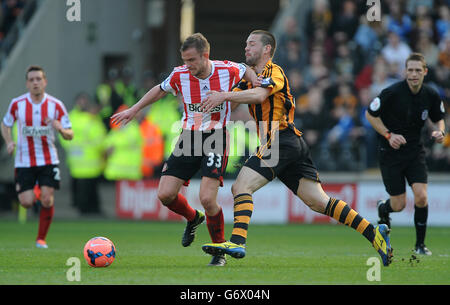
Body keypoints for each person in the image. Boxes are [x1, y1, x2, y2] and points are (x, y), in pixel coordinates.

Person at [199, 30, 393, 266]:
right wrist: (215, 96)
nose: (246, 48)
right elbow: (235, 97)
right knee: (319, 202)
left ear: (267, 49)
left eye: (251, 44)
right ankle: (374, 233)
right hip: (289, 144)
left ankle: (238, 242)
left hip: (281, 140)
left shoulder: (274, 71)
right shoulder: (246, 80)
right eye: (246, 44)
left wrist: (224, 96)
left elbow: (260, 96)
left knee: (241, 186)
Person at [111, 33, 260, 266]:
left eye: (191, 60)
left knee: (207, 198)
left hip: (216, 137)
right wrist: (134, 109)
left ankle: (218, 252)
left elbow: (245, 69)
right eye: (185, 60)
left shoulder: (225, 70)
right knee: (165, 195)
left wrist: (257, 80)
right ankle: (193, 218)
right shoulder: (180, 74)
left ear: (205, 56)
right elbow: (159, 90)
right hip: (188, 138)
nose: (187, 65)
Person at [365, 53, 446, 255]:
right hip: (390, 153)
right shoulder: (391, 93)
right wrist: (388, 135)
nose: (414, 74)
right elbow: (370, 114)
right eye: (410, 70)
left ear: (425, 72)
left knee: (421, 197)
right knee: (399, 205)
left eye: (418, 70)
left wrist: (440, 131)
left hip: (414, 152)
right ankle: (384, 208)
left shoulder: (431, 95)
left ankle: (420, 245)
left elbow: (439, 118)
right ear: (405, 71)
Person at [1, 65, 73, 248]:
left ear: (45, 82)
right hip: (24, 161)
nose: (35, 83)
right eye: (31, 79)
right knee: (26, 202)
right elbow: (6, 124)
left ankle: (41, 239)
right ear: (27, 83)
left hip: (48, 160)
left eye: (38, 79)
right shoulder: (17, 104)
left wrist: (60, 129)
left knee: (47, 199)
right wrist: (9, 141)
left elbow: (70, 134)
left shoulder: (56, 105)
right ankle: (37, 190)